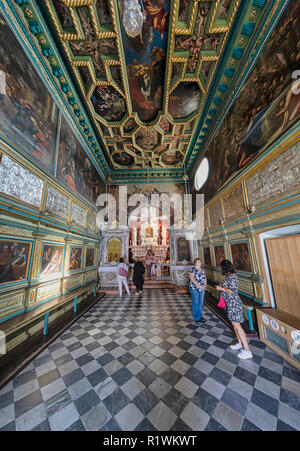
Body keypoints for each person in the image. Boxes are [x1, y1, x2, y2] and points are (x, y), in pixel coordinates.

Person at [216, 260, 253, 360]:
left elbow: (233, 290)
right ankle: (240, 343)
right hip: (230, 304)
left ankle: (247, 350)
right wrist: (222, 287)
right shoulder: (229, 276)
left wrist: (221, 289)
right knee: (234, 325)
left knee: (238, 326)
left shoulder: (232, 276)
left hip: (234, 304)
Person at [189, 258, 207, 323]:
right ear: (195, 263)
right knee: (196, 303)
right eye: (198, 262)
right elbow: (192, 278)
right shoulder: (193, 270)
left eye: (200, 261)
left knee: (200, 303)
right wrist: (198, 286)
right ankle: (196, 317)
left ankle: (200, 315)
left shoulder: (203, 270)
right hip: (194, 288)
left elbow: (205, 278)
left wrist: (204, 285)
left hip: (202, 288)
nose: (200, 263)